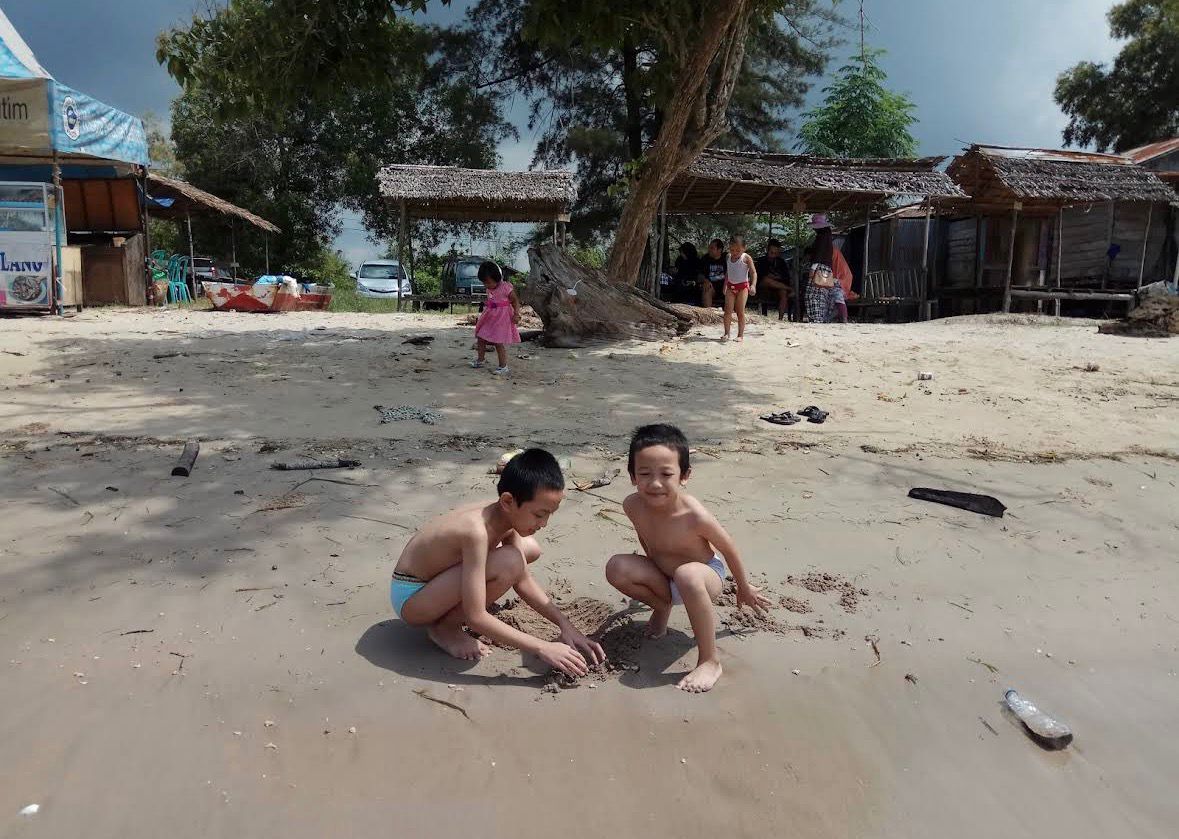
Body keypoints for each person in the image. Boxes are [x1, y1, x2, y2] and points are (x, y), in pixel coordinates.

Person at [392, 449, 606, 676]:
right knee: (510, 560)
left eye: (549, 515)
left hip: (437, 580)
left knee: (528, 551)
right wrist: (543, 647)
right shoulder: (475, 532)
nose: (544, 524)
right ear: (507, 501)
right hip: (412, 597)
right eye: (539, 514)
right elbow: (476, 618)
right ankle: (445, 628)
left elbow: (523, 579)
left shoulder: (505, 514)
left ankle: (452, 612)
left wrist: (565, 625)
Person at [605, 425, 772, 693]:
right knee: (616, 567)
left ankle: (709, 660)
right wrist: (653, 571)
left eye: (666, 474)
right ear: (632, 476)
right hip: (665, 574)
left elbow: (729, 549)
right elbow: (646, 537)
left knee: (687, 574)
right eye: (644, 474)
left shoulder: (694, 515)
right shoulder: (631, 505)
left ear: (684, 475)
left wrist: (743, 587)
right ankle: (662, 608)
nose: (655, 483)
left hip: (704, 576)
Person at [471, 261, 521, 375]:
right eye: (484, 283)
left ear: (497, 278)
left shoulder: (506, 287)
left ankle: (503, 366)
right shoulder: (489, 288)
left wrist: (516, 314)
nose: (486, 285)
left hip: (502, 318)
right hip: (489, 316)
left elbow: (515, 301)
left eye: (488, 282)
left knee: (498, 342)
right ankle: (480, 359)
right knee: (481, 337)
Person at [805, 214, 845, 324]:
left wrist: (813, 269)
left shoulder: (821, 238)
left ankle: (817, 318)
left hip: (819, 269)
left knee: (813, 295)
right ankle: (822, 317)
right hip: (827, 271)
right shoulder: (828, 238)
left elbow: (818, 255)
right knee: (823, 295)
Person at [723, 235, 757, 341]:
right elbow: (728, 272)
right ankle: (726, 333)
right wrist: (725, 285)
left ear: (744, 248)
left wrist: (753, 285)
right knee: (727, 311)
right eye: (732, 250)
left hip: (743, 288)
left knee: (740, 311)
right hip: (730, 287)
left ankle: (740, 335)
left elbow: (753, 272)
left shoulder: (746, 258)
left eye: (738, 250)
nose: (735, 252)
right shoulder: (728, 257)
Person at [754, 238, 792, 320]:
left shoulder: (781, 262)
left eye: (776, 253)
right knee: (766, 280)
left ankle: (780, 318)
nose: (773, 255)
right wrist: (774, 277)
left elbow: (785, 277)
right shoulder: (761, 261)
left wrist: (776, 277)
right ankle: (791, 289)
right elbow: (761, 276)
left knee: (783, 292)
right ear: (768, 250)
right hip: (762, 286)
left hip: (778, 287)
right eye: (772, 252)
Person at [698, 238, 726, 308]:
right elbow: (699, 275)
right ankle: (708, 313)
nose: (709, 250)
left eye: (712, 248)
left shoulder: (727, 258)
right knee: (706, 288)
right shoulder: (705, 258)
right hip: (712, 287)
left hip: (725, 287)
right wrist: (705, 280)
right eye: (709, 248)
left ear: (719, 250)